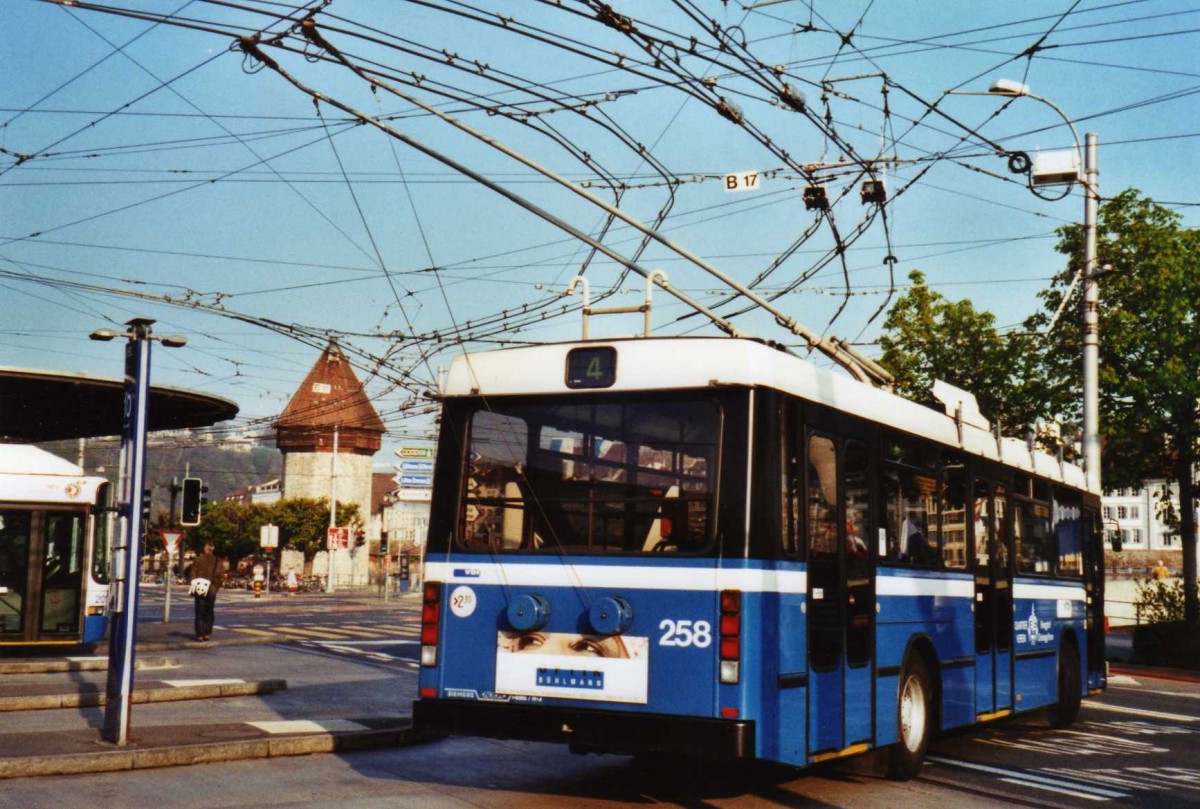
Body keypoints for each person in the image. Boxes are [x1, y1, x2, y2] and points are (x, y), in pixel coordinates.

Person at [189, 542, 226, 642]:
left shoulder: (198, 559)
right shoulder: (218, 561)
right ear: (212, 550)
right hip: (212, 589)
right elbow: (221, 576)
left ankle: (199, 635)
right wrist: (216, 587)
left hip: (199, 588)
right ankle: (207, 633)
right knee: (209, 611)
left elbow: (193, 574)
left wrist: (195, 583)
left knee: (199, 612)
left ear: (205, 549)